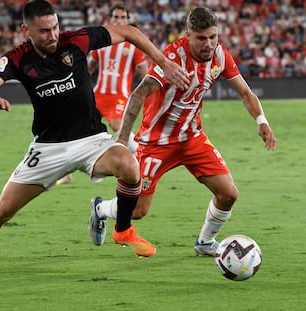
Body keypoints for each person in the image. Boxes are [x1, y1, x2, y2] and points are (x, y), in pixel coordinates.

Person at [0, 0, 189, 273]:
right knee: (1, 211)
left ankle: (123, 229)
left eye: (55, 27)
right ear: (26, 30)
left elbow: (128, 31)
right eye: (44, 31)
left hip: (91, 140)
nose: (53, 35)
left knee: (129, 165)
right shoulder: (18, 58)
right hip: (48, 148)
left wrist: (164, 63)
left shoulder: (76, 41)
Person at [89, 7, 277, 256]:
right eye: (201, 38)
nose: (208, 44)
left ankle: (205, 242)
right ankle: (100, 209)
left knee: (228, 194)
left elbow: (245, 92)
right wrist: (123, 140)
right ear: (188, 34)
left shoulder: (220, 55)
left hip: (192, 139)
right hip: (157, 142)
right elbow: (138, 94)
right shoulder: (172, 58)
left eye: (213, 36)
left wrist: (261, 121)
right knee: (137, 211)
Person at [56, 3, 148, 186]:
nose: (119, 21)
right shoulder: (102, 41)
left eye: (123, 18)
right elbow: (89, 68)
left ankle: (143, 157)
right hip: (98, 95)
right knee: (73, 125)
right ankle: (65, 172)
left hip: (120, 97)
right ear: (110, 19)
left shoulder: (134, 45)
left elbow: (144, 73)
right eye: (116, 17)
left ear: (128, 20)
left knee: (117, 125)